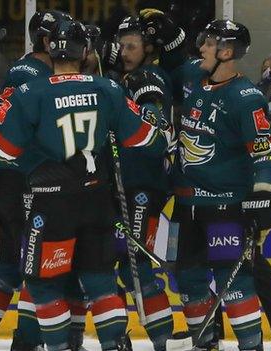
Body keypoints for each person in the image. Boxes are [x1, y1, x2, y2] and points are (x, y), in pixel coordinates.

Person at [0, 19, 169, 351]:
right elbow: (145, 138)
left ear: (49, 49)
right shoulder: (106, 89)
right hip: (98, 200)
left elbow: (0, 151)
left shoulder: (33, 93)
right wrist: (152, 116)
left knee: (42, 285)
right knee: (101, 282)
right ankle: (115, 344)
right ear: (84, 51)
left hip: (53, 206)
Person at [140, 11, 271, 350]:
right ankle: (204, 344)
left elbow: (265, 153)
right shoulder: (195, 76)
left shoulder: (245, 99)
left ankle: (251, 345)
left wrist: (262, 196)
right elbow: (170, 65)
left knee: (233, 285)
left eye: (208, 43)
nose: (201, 48)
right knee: (188, 283)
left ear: (227, 52)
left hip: (223, 208)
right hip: (185, 207)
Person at [0, 10, 73, 351]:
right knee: (31, 267)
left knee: (11, 267)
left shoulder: (42, 70)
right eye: (60, 37)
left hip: (20, 177)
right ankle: (22, 342)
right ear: (46, 40)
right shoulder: (31, 70)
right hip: (20, 179)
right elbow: (13, 118)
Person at [101, 15, 176, 351]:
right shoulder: (124, 78)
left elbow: (154, 119)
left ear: (147, 48)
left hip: (143, 185)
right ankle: (119, 337)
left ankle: (163, 341)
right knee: (109, 262)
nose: (124, 51)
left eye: (131, 45)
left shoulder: (148, 76)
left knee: (137, 266)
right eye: (121, 46)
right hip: (125, 185)